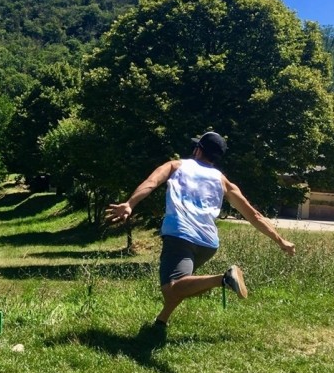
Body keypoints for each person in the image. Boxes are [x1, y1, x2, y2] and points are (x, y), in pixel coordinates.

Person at [105, 131, 296, 332]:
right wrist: (281, 241)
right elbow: (254, 215)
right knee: (186, 283)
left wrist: (129, 204)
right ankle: (161, 321)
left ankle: (224, 278)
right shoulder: (223, 180)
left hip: (180, 234)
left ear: (198, 150)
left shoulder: (175, 165)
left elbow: (151, 183)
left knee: (173, 287)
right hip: (208, 243)